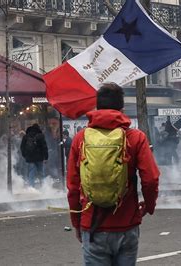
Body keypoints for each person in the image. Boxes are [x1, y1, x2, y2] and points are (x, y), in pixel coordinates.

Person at [67, 83, 159, 265]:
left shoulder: (81, 138)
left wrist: (77, 222)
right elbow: (151, 179)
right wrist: (148, 206)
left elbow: (73, 186)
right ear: (122, 109)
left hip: (92, 224)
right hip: (127, 224)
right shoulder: (136, 137)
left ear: (97, 107)